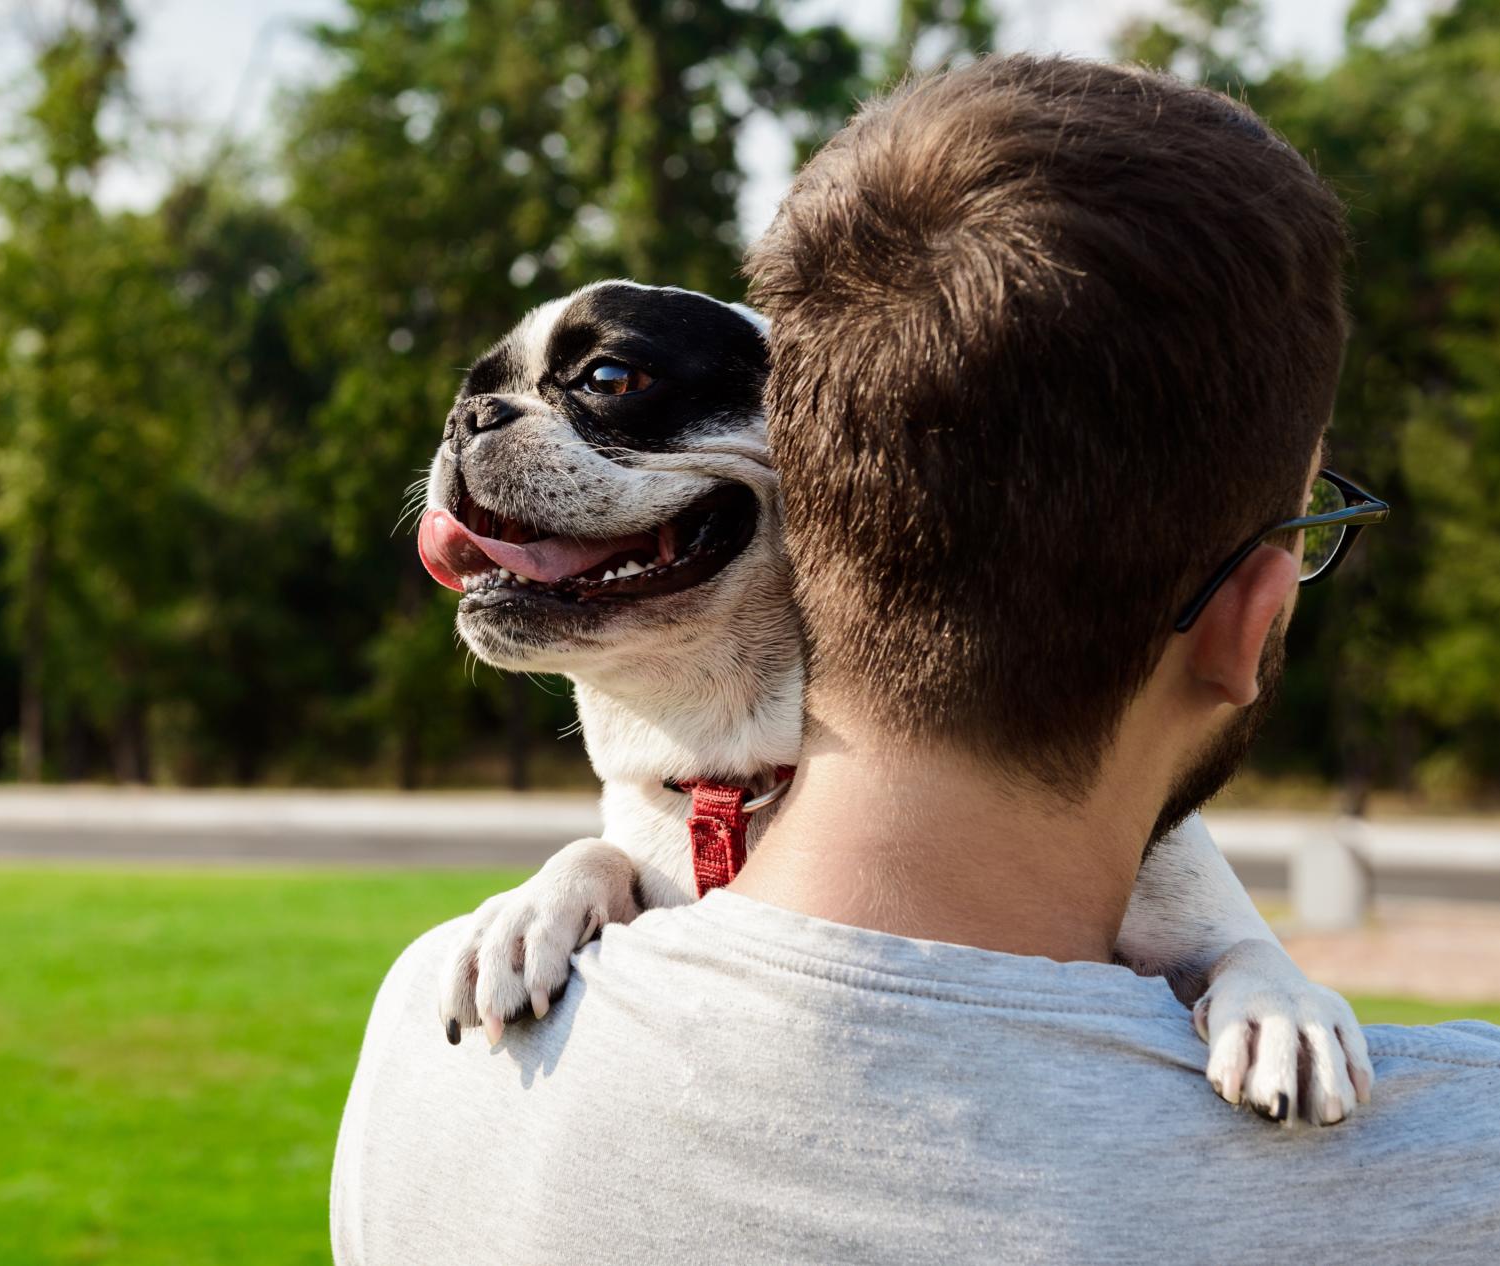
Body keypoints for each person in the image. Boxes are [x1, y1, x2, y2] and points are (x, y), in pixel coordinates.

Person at [332, 56, 1500, 1263]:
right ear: (1246, 615)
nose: (480, 432)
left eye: (610, 383)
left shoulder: (427, 1039)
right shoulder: (1464, 1174)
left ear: (822, 470)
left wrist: (1257, 975)